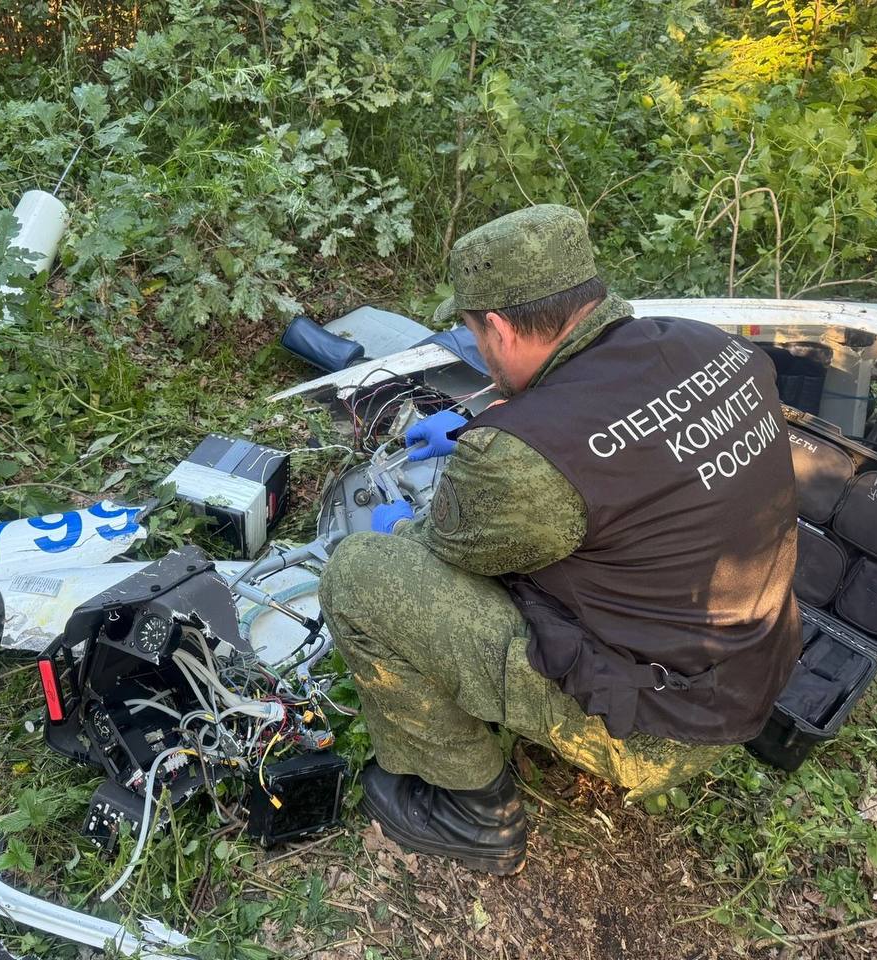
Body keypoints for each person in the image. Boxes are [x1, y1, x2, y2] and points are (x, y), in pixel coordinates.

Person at [318, 204, 801, 875]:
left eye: (475, 335)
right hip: (754, 670)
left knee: (361, 575)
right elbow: (622, 430)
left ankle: (473, 810)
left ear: (498, 327)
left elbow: (448, 548)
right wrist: (480, 423)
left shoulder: (516, 468)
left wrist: (400, 527)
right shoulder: (713, 347)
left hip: (661, 725)